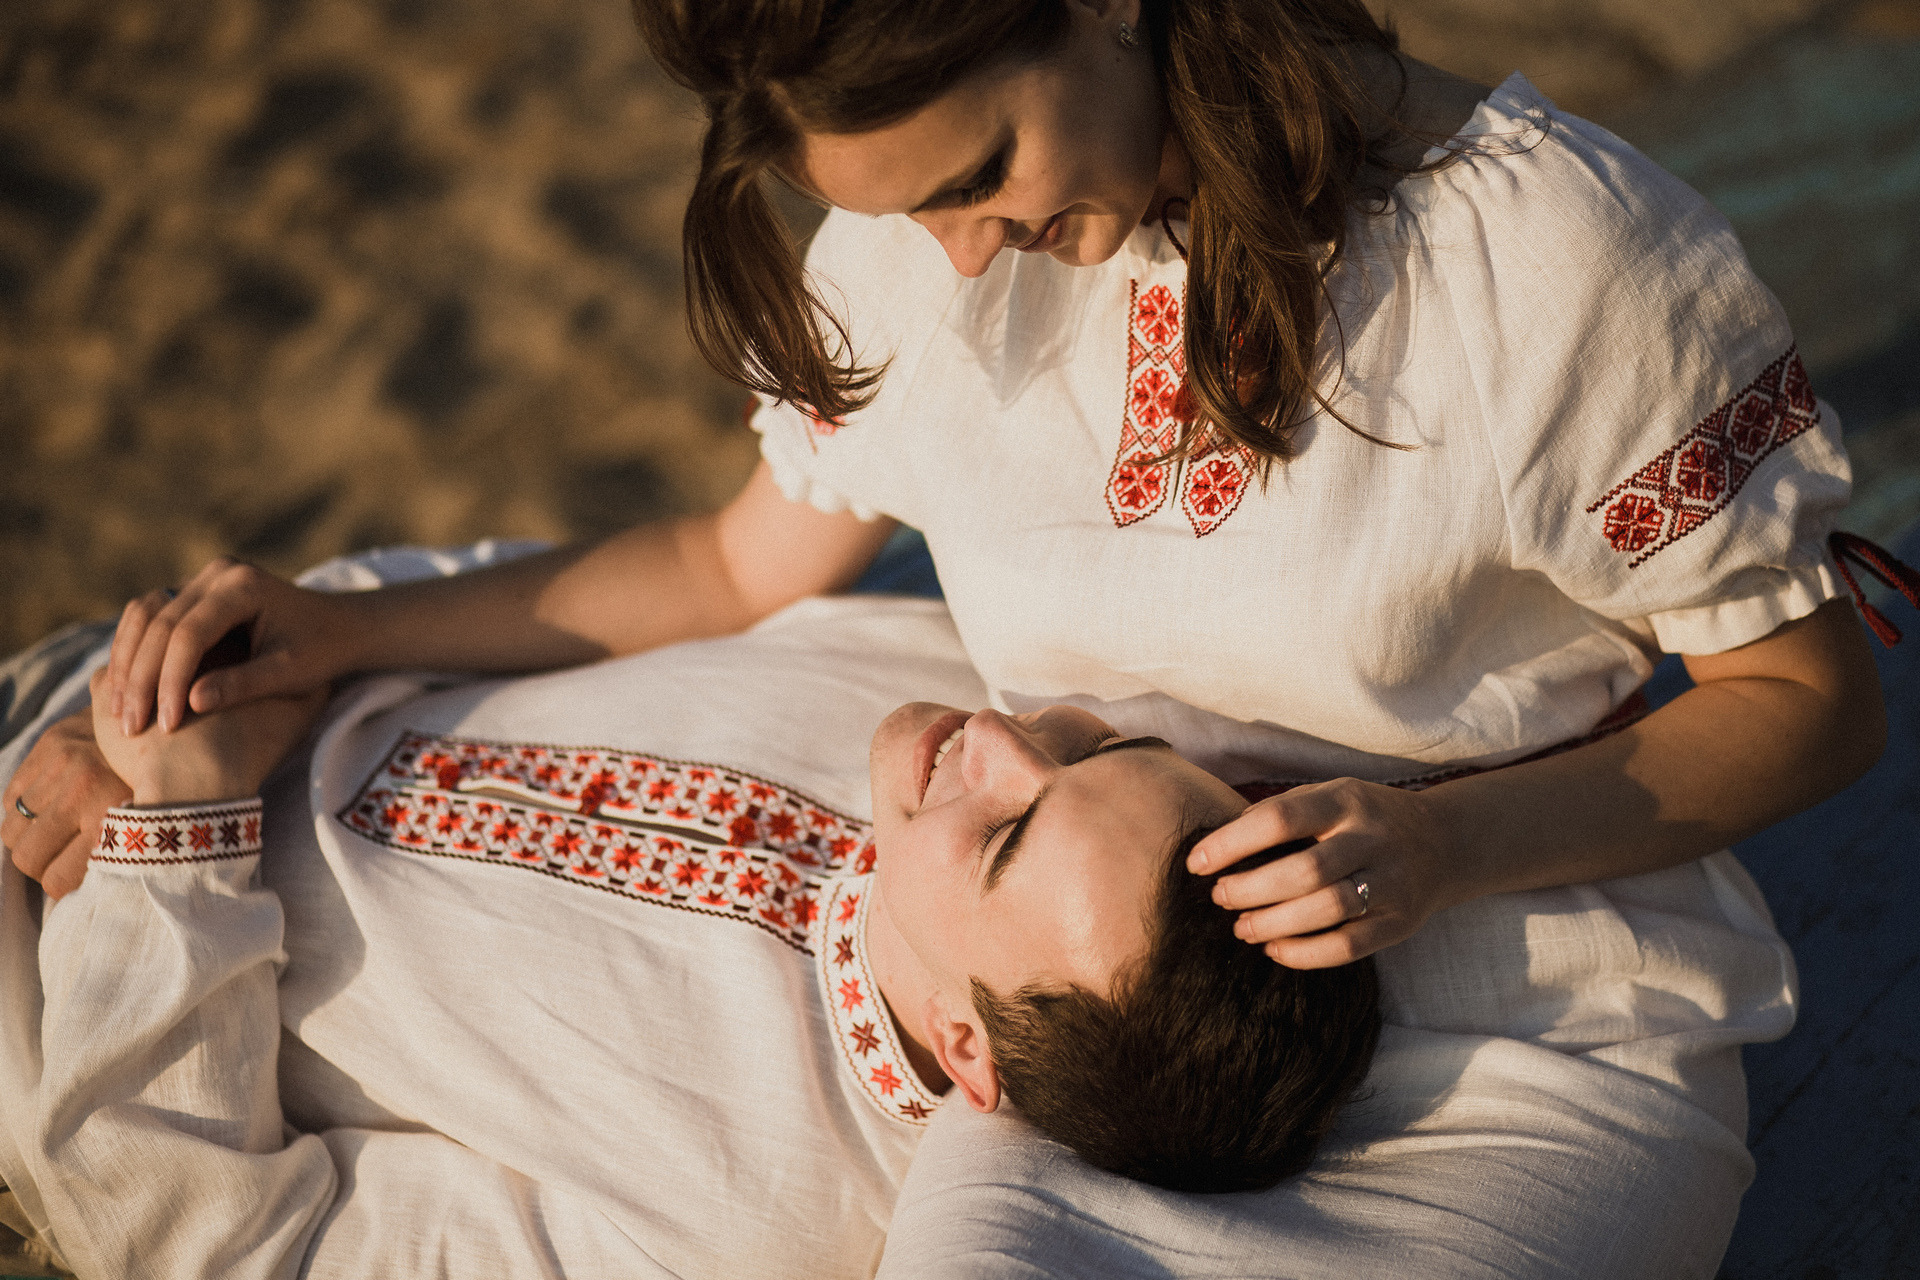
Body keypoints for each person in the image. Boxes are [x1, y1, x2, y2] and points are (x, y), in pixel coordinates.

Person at [3, 0, 1901, 1268]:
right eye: (908, 211)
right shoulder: (920, 255)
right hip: (1052, 924)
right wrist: (345, 629)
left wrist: (1444, 842)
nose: (963, 253)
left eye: (981, 170)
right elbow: (732, 566)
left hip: (1511, 998)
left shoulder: (1556, 267)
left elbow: (1806, 703)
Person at [0, 596, 1378, 1278]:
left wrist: (173, 822)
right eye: (1099, 753)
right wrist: (237, 660)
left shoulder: (737, 1226)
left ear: (972, 1050)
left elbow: (218, 1245)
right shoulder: (934, 670)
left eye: (1008, 836)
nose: (1005, 741)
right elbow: (545, 606)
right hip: (127, 657)